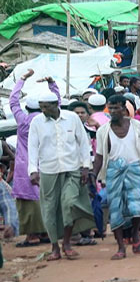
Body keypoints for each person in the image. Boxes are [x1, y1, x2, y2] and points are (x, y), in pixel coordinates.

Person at [27, 90, 95, 261]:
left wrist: (86, 166)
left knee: (69, 204)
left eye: (46, 107)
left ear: (55, 105)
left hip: (72, 168)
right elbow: (33, 147)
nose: (43, 110)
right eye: (41, 107)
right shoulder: (37, 122)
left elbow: (83, 142)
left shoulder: (72, 118)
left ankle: (66, 243)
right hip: (49, 170)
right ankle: (54, 247)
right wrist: (32, 170)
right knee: (49, 210)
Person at [93, 95, 140, 260]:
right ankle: (120, 247)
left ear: (124, 108)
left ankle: (134, 232)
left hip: (134, 169)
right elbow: (99, 157)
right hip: (113, 172)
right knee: (115, 209)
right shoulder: (103, 130)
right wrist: (93, 176)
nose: (113, 111)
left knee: (138, 205)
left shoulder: (136, 125)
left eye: (117, 108)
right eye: (111, 108)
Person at [10, 69, 58, 247]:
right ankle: (46, 232)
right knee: (46, 197)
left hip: (25, 166)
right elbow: (57, 102)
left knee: (26, 201)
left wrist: (22, 79)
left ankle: (32, 235)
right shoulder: (49, 119)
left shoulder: (23, 120)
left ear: (28, 108)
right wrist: (52, 84)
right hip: (46, 163)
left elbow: (13, 102)